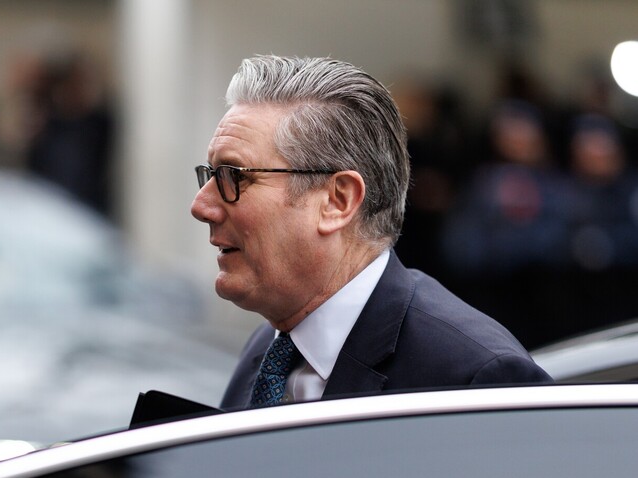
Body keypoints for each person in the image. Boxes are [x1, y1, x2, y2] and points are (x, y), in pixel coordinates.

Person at [190, 55, 551, 410]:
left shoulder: (476, 377)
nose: (201, 206)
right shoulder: (269, 349)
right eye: (210, 174)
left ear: (338, 201)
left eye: (233, 177)